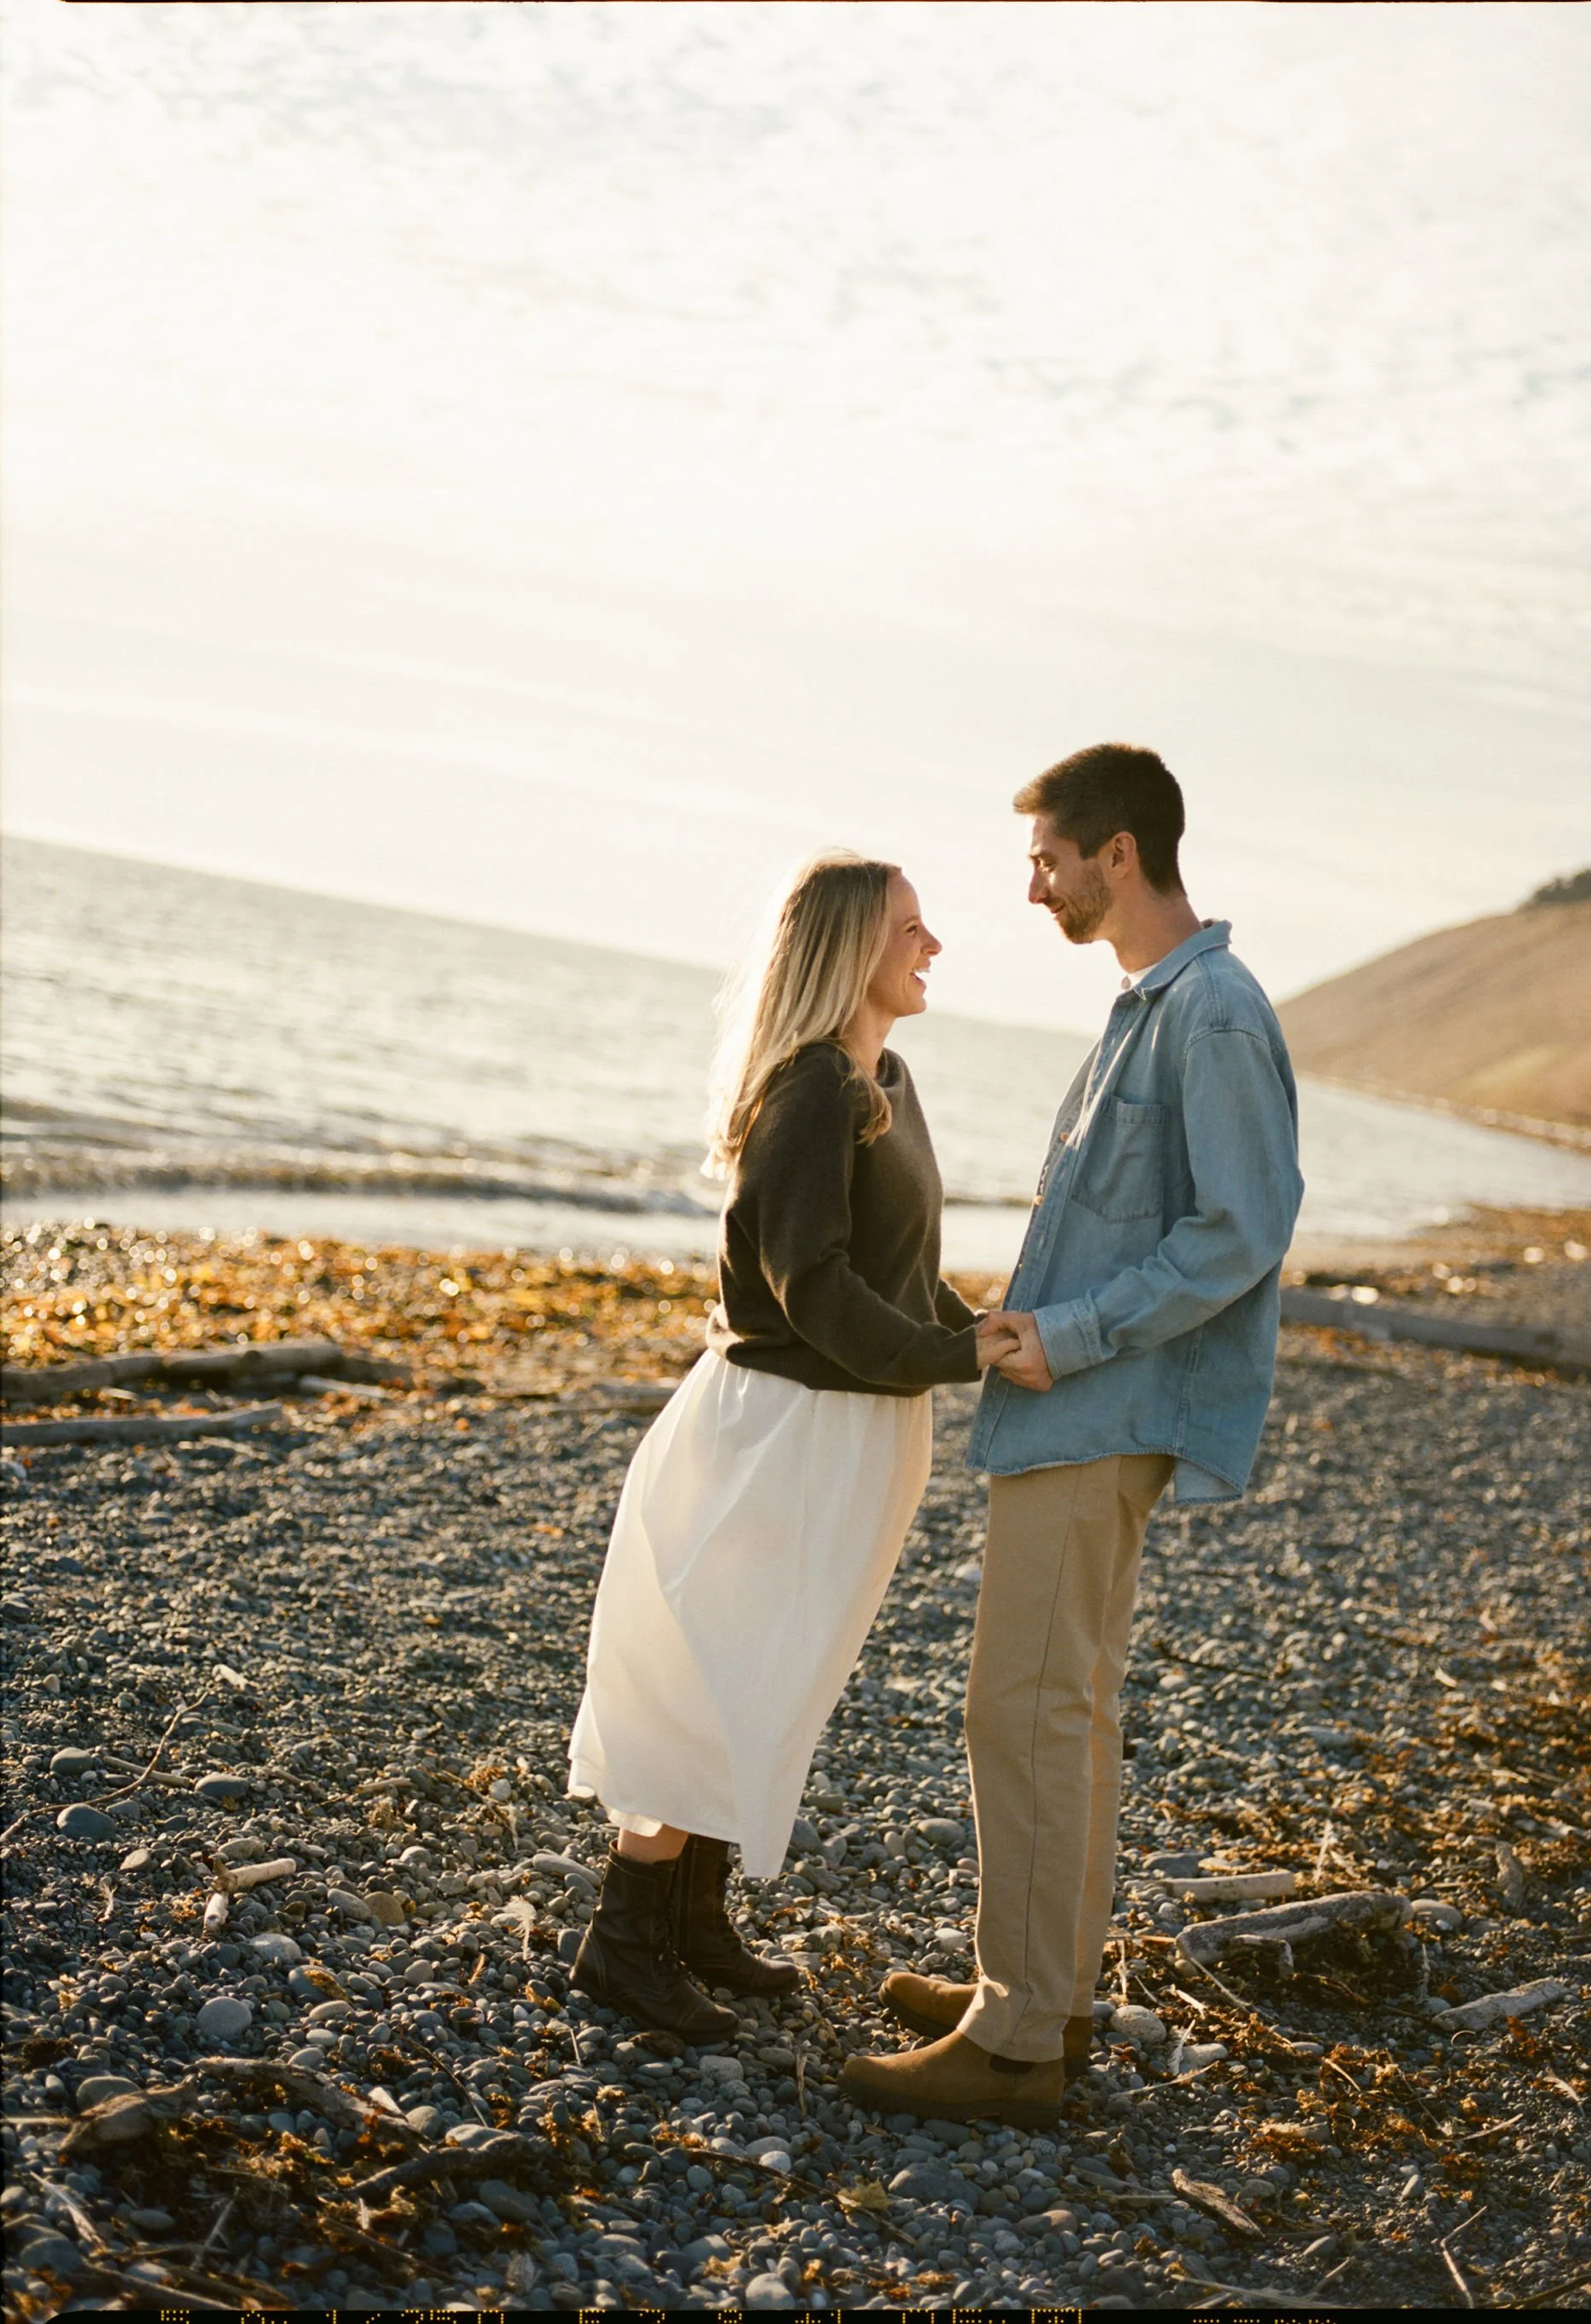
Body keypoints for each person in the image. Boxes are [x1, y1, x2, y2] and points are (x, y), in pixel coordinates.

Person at [838, 743, 1303, 2127]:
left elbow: (1240, 1230)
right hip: (1086, 1402)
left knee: (1022, 1705)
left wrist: (1075, 1333)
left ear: (1119, 852)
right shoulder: (1153, 1005)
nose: (1032, 885)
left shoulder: (1210, 1012)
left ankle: (1016, 2035)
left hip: (1101, 1409)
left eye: (1048, 859)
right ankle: (1047, 1989)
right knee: (1068, 1706)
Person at [566, 851, 1018, 2039]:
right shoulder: (812, 1088)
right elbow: (809, 1287)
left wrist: (970, 1329)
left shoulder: (886, 1080)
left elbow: (898, 1273)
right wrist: (954, 1357)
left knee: (771, 1675)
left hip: (853, 1431)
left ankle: (695, 1919)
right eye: (910, 929)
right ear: (850, 949)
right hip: (778, 1428)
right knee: (711, 1672)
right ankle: (624, 1940)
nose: (933, 947)